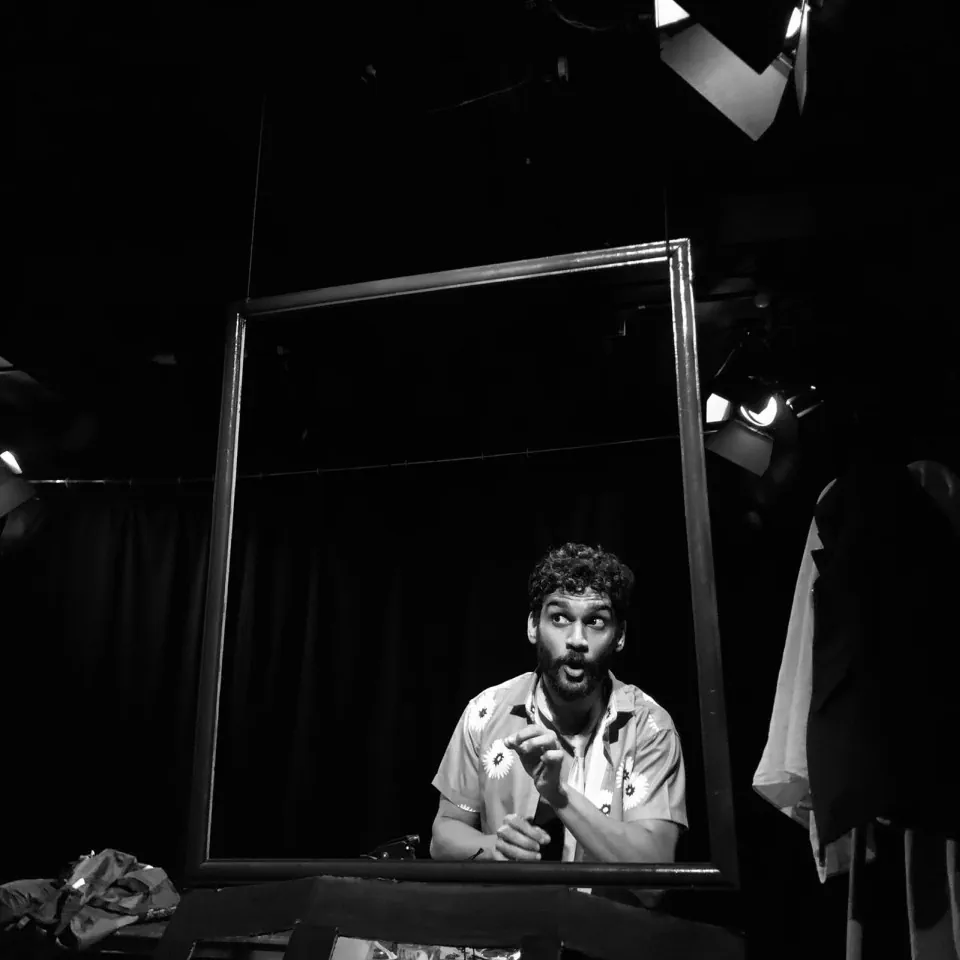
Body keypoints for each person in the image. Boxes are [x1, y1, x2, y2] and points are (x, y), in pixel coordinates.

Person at [430, 542, 687, 871]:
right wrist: (494, 848)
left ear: (620, 636)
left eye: (596, 621)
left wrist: (559, 794)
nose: (577, 639)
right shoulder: (485, 711)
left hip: (607, 908)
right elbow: (443, 837)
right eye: (560, 618)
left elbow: (654, 877)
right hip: (509, 906)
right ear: (533, 626)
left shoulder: (649, 727)